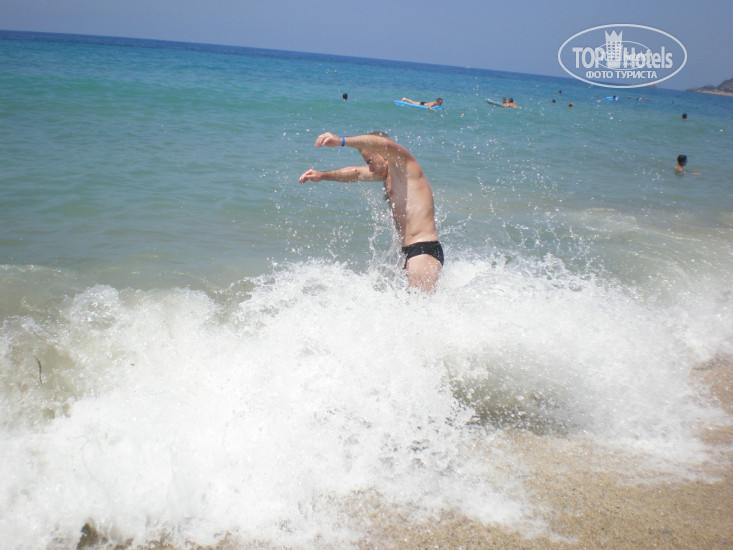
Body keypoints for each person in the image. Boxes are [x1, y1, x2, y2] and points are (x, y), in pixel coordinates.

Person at [298, 132, 443, 292]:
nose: (370, 168)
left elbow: (382, 143)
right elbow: (356, 173)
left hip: (423, 249)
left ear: (384, 154)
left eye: (371, 162)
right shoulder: (387, 173)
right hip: (408, 252)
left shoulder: (405, 164)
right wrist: (322, 176)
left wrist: (341, 141)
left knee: (420, 304)